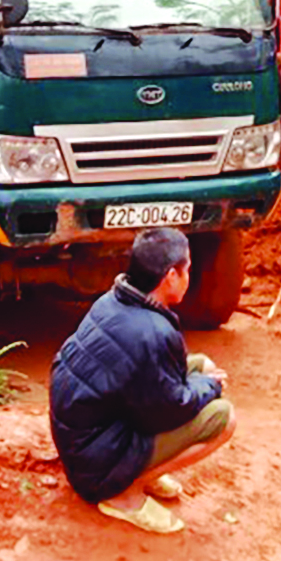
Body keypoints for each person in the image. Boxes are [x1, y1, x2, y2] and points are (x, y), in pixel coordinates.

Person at [49, 227, 236, 535]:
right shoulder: (152, 333)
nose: (191, 276)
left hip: (82, 444)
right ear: (171, 277)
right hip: (93, 465)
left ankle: (139, 472)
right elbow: (170, 410)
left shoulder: (115, 299)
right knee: (223, 419)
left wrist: (202, 380)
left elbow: (151, 390)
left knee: (201, 365)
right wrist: (210, 387)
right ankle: (124, 494)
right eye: (187, 269)